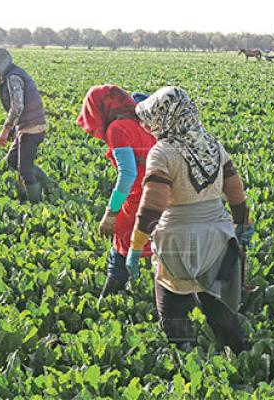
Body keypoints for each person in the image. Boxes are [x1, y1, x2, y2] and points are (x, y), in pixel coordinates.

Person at [126, 87, 254, 353]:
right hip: (218, 238)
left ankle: (186, 357)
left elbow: (152, 206)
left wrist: (136, 246)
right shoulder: (212, 144)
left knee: (171, 308)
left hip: (178, 243)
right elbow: (235, 191)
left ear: (163, 117)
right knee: (218, 307)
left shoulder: (163, 152)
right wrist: (242, 226)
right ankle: (239, 356)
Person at [77, 85, 157, 298]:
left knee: (120, 250)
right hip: (161, 195)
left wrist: (111, 213)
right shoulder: (145, 122)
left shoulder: (118, 129)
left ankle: (106, 301)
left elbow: (128, 174)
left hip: (137, 200)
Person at [0, 47, 56, 202]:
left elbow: (17, 106)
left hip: (32, 127)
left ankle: (36, 204)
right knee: (12, 160)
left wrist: (6, 129)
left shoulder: (13, 77)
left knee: (25, 169)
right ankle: (48, 184)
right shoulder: (13, 73)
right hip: (26, 126)